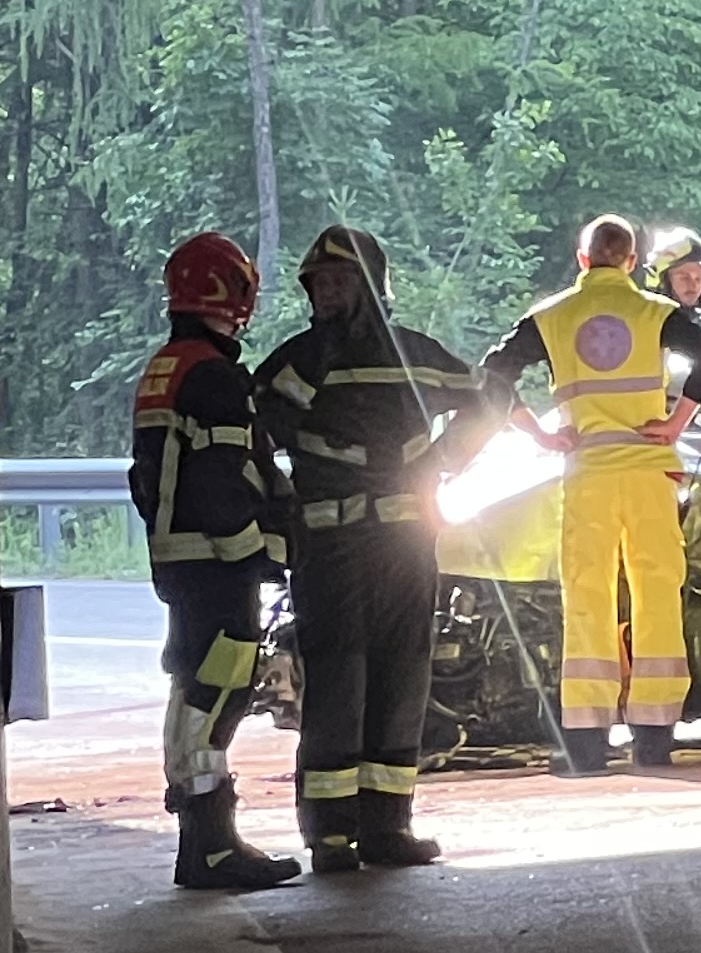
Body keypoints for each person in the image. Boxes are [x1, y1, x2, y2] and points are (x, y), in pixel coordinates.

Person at [255, 227, 474, 872]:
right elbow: (255, 428)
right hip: (331, 548)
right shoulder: (299, 360)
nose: (327, 294)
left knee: (402, 676)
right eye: (319, 284)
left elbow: (487, 398)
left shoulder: (414, 354)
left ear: (372, 286)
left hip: (404, 546)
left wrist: (441, 460)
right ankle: (329, 832)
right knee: (337, 680)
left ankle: (388, 826)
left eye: (340, 281)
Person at [482, 213, 701, 776]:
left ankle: (586, 744)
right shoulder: (656, 312)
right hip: (650, 472)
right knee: (656, 593)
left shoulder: (551, 316)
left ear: (582, 259)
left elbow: (492, 373)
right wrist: (676, 423)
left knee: (588, 596)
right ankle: (654, 737)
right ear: (632, 262)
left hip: (588, 473)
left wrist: (539, 435)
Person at [131, 233, 300, 890]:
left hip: (181, 558)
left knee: (194, 685)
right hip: (218, 561)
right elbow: (225, 478)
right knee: (219, 690)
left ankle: (201, 842)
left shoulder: (166, 367)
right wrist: (262, 551)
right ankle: (212, 847)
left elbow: (152, 475)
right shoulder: (214, 375)